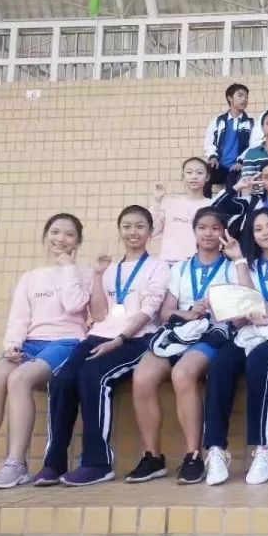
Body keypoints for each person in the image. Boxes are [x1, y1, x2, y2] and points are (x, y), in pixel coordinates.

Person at [0, 214, 94, 489]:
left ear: (77, 242)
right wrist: (12, 345)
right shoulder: (31, 277)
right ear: (46, 236)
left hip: (66, 342)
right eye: (55, 232)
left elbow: (74, 305)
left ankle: (16, 464)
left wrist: (68, 268)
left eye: (69, 235)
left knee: (19, 379)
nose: (61, 239)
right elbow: (19, 317)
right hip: (30, 342)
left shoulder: (85, 274)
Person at [37, 206, 170, 487]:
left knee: (93, 377)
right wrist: (98, 276)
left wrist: (119, 339)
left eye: (140, 226)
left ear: (150, 231)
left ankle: (97, 463)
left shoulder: (158, 266)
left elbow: (149, 310)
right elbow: (98, 315)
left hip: (135, 338)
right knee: (62, 380)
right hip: (98, 336)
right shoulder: (109, 268)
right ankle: (54, 463)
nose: (133, 232)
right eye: (127, 226)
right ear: (119, 230)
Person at [125, 208, 237, 485]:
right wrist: (187, 313)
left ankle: (193, 456)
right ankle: (152, 457)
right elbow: (166, 312)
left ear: (223, 232)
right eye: (202, 227)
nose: (208, 233)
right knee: (142, 376)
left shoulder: (231, 267)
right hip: (178, 333)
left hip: (211, 333)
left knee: (183, 374)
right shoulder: (180, 268)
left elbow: (240, 310)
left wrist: (215, 308)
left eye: (215, 228)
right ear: (194, 232)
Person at [202, 209, 268, 486]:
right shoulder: (247, 266)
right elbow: (248, 303)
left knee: (260, 364)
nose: (265, 232)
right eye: (258, 229)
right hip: (249, 332)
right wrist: (238, 260)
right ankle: (215, 450)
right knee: (220, 365)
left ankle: (263, 448)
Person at [151, 157, 212, 265]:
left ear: (207, 177)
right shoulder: (170, 203)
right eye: (189, 172)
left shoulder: (211, 205)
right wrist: (157, 201)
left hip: (199, 264)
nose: (194, 176)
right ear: (182, 176)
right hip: (169, 263)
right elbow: (153, 231)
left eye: (199, 173)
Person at [203, 83, 253, 196]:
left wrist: (241, 161)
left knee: (232, 185)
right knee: (205, 173)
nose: (244, 99)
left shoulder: (250, 123)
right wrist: (212, 156)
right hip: (219, 165)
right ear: (230, 98)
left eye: (246, 97)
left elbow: (253, 145)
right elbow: (209, 142)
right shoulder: (218, 121)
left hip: (238, 167)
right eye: (240, 95)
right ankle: (204, 204)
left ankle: (229, 204)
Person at [229, 158, 268, 224]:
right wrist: (237, 187)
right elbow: (223, 206)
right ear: (261, 179)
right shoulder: (251, 202)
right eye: (266, 177)